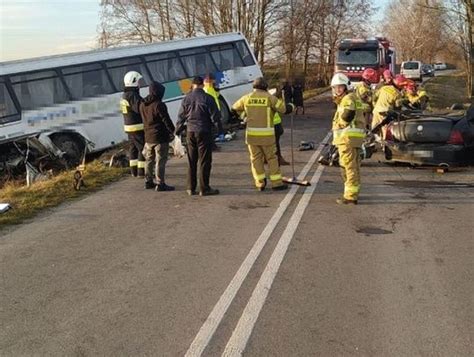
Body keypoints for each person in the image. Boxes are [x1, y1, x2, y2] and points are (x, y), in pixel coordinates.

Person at [232, 77, 294, 191]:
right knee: (271, 158)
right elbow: (284, 109)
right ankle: (276, 183)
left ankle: (260, 183)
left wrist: (244, 117)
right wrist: (291, 106)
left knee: (255, 159)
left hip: (251, 136)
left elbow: (234, 108)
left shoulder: (247, 98)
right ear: (265, 87)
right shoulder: (270, 98)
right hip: (267, 137)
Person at [176, 76, 224, 196]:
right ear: (202, 85)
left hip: (190, 131)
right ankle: (204, 188)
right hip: (204, 131)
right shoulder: (208, 98)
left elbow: (181, 117)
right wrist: (220, 131)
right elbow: (215, 117)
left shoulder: (186, 99)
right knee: (204, 161)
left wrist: (177, 131)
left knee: (192, 160)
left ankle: (190, 188)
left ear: (192, 85)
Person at [330, 73, 366, 205]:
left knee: (348, 167)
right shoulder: (354, 97)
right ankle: (354, 191)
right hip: (354, 138)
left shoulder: (347, 99)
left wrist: (338, 125)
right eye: (335, 88)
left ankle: (350, 196)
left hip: (347, 139)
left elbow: (347, 115)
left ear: (346, 87)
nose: (337, 90)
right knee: (354, 166)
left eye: (340, 87)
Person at [139, 81, 176, 191]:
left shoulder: (142, 104)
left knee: (149, 160)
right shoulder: (159, 105)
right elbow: (166, 120)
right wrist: (173, 131)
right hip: (160, 137)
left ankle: (148, 181)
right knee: (160, 161)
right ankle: (160, 183)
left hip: (148, 137)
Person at [120, 71, 146, 177]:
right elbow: (139, 108)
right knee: (142, 148)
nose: (140, 83)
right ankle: (142, 172)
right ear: (134, 82)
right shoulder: (133, 95)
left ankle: (133, 171)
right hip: (137, 126)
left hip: (129, 126)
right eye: (139, 81)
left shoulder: (125, 95)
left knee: (133, 148)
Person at [372, 74, 406, 139]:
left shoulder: (384, 88)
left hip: (376, 111)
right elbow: (397, 107)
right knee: (385, 133)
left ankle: (373, 146)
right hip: (385, 114)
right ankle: (383, 147)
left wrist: (375, 105)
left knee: (374, 131)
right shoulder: (397, 94)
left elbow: (374, 97)